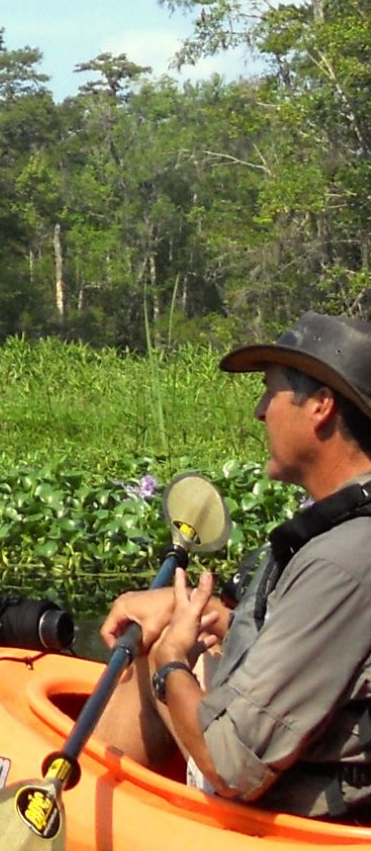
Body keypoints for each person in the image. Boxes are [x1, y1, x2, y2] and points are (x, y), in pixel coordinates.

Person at [98, 311, 371, 819]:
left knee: (151, 647)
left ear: (321, 406)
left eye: (271, 392)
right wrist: (218, 620)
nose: (259, 411)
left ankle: (90, 830)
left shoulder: (344, 560)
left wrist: (169, 660)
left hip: (311, 825)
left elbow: (229, 766)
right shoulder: (349, 536)